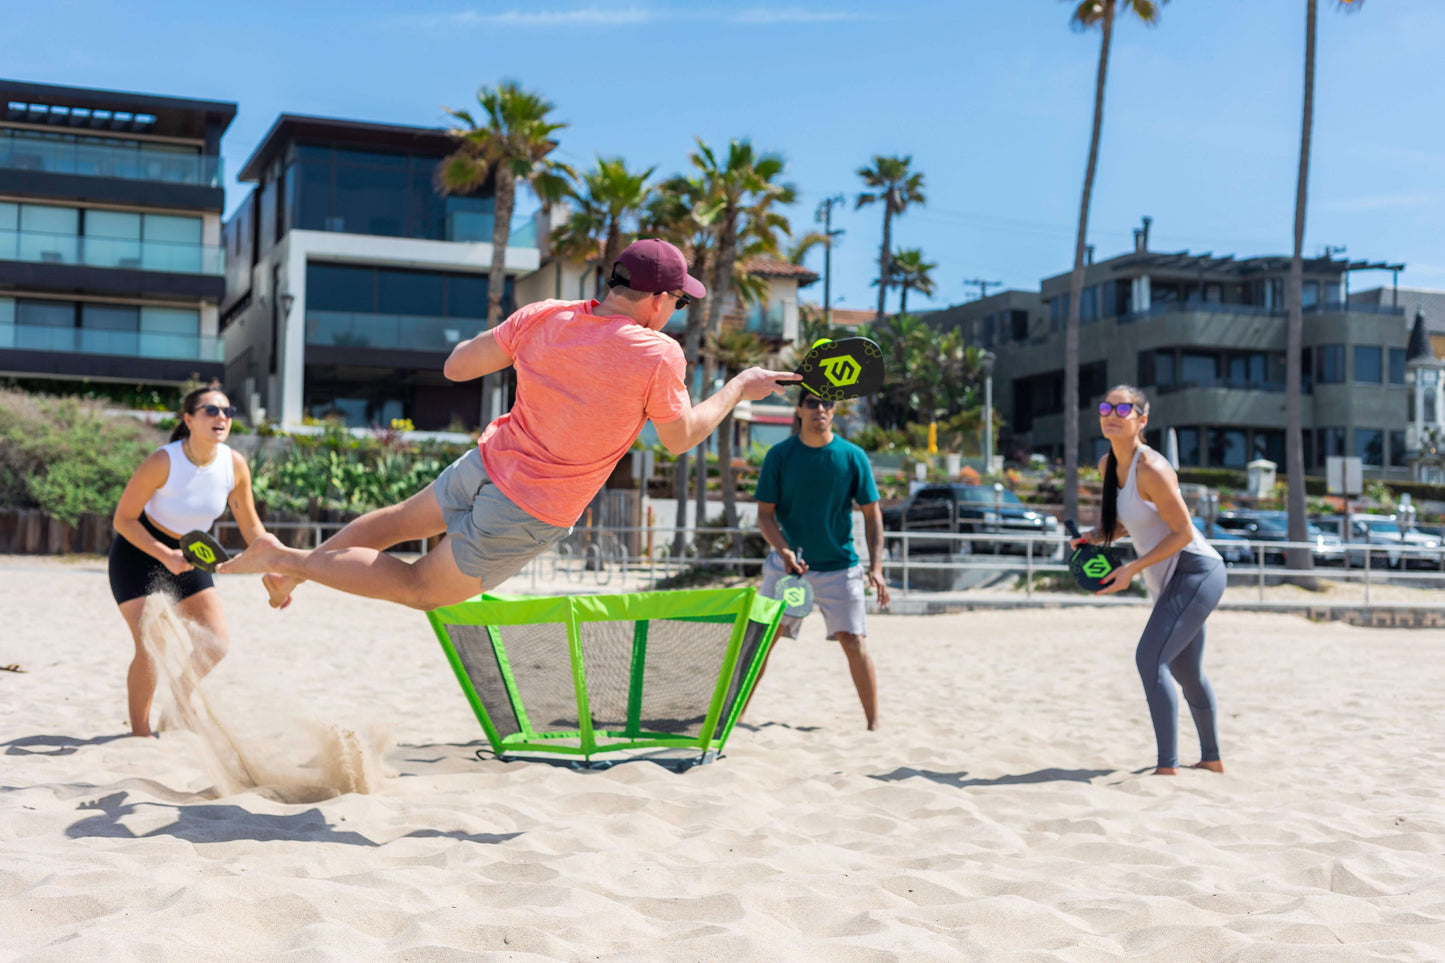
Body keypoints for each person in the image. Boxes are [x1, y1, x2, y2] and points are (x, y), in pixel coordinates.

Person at [222, 238, 797, 609]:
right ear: (657, 299)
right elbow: (679, 438)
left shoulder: (546, 314)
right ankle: (283, 559)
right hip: (531, 504)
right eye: (678, 300)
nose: (675, 311)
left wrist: (528, 347)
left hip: (488, 461)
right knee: (422, 588)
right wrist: (739, 386)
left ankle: (292, 573)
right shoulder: (657, 353)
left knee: (393, 522)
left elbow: (456, 366)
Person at [1073, 384, 1227, 775]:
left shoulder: (1152, 468)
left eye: (1123, 409)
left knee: (1149, 658)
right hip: (1171, 578)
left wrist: (1132, 569)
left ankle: (1166, 767)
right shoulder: (1108, 466)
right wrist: (1093, 537)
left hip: (1196, 570)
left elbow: (1184, 532)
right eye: (1106, 407)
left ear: (1142, 420)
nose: (1112, 415)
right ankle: (1211, 760)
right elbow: (1127, 524)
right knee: (1185, 671)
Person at [109, 382, 272, 737]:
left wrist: (274, 568)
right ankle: (140, 733)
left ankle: (181, 699)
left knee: (216, 642)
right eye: (211, 410)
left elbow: (251, 526)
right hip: (138, 554)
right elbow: (123, 520)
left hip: (190, 554)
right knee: (152, 645)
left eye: (227, 411)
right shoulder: (163, 461)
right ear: (189, 419)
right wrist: (165, 554)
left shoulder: (234, 465)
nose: (221, 417)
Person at [753, 391, 890, 730]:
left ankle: (874, 725)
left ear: (834, 410)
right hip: (789, 569)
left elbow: (872, 515)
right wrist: (783, 550)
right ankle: (732, 717)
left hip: (840, 568)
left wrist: (876, 568)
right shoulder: (779, 456)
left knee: (854, 641)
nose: (820, 409)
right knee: (760, 641)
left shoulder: (853, 456)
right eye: (812, 403)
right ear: (799, 409)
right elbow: (765, 515)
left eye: (827, 404)